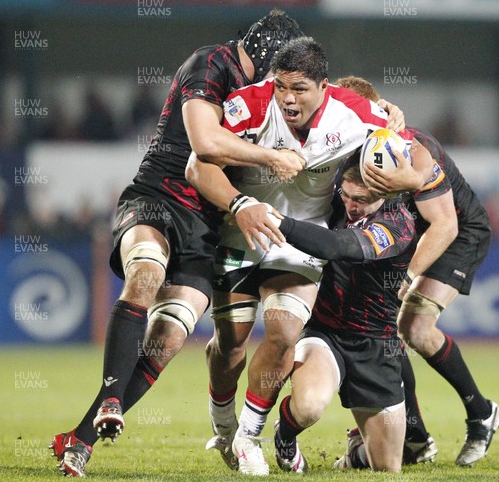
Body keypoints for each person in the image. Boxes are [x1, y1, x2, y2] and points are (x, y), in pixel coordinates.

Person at [49, 9, 307, 478]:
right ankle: (111, 393)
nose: (286, 82)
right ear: (270, 53)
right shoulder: (211, 63)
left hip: (205, 225)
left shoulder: (272, 97)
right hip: (157, 196)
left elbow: (341, 101)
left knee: (169, 338)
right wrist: (270, 157)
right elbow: (205, 143)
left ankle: (81, 438)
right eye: (283, 67)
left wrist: (387, 113)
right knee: (146, 273)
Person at [185, 37, 434, 475]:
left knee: (283, 332)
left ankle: (248, 434)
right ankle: (223, 422)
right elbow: (198, 164)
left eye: (298, 88)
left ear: (323, 86)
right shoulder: (250, 105)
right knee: (231, 342)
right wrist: (242, 204)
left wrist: (410, 176)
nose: (287, 97)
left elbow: (417, 153)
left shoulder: (355, 114)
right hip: (240, 232)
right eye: (281, 86)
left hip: (300, 242)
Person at [335, 76, 499, 468]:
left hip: (456, 232)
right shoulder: (352, 147)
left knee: (413, 327)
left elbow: (445, 225)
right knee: (380, 327)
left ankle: (480, 415)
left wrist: (407, 278)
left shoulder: (410, 149)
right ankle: (415, 437)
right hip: (416, 233)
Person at [270, 156, 418, 473]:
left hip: (375, 344)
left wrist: (278, 221)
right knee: (309, 407)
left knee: (387, 467)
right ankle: (284, 436)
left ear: (385, 193)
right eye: (346, 195)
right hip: (326, 332)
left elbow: (338, 246)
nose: (350, 205)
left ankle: (355, 456)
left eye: (361, 200)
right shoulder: (340, 197)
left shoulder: (399, 225)